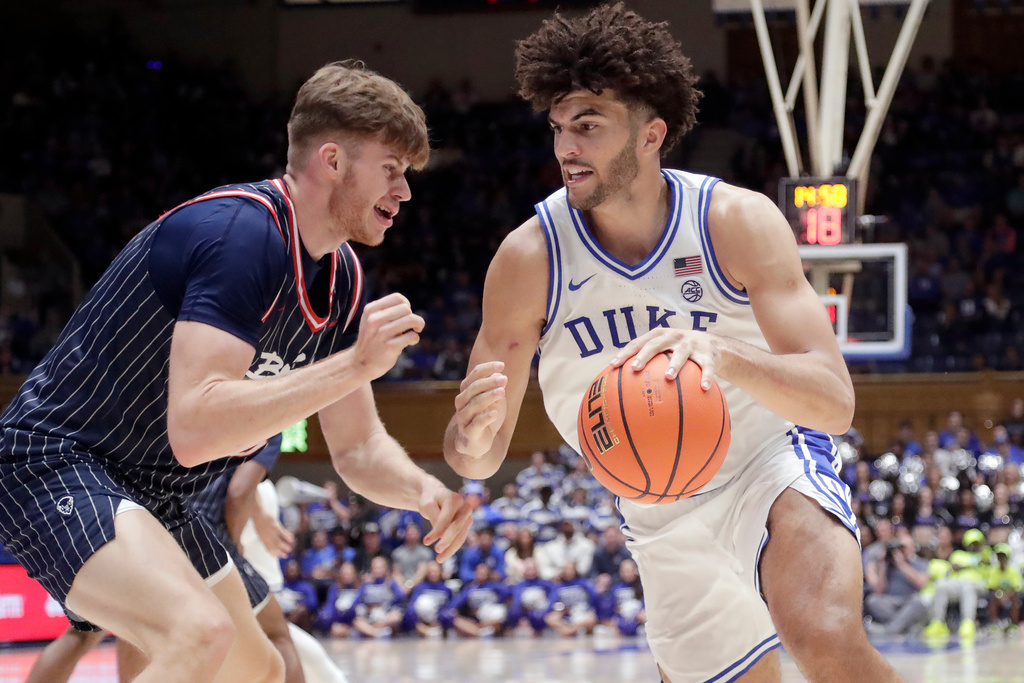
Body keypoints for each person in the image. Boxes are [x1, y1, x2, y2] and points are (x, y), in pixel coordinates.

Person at [443, 5, 900, 681]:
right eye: (559, 128)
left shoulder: (735, 221)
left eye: (589, 126)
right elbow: (477, 458)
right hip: (655, 504)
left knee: (824, 636)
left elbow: (834, 403)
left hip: (766, 459)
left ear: (651, 134)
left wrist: (726, 356)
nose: (566, 147)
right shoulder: (528, 259)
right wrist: (468, 431)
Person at [0, 61, 472, 682]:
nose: (404, 191)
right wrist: (354, 364)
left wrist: (423, 491)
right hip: (58, 461)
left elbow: (357, 447)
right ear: (332, 161)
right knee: (198, 634)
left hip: (157, 493)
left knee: (261, 672)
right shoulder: (241, 235)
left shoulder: (344, 277)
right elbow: (195, 428)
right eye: (391, 169)